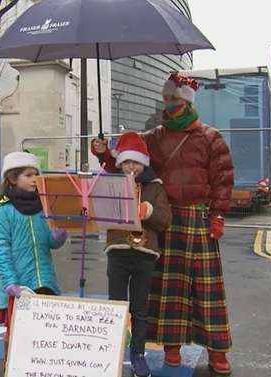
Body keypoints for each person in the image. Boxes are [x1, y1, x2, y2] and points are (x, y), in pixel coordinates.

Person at [92, 72, 235, 375]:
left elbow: (222, 178)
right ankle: (172, 349)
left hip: (197, 218)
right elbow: (127, 165)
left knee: (205, 291)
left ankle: (217, 351)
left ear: (187, 102)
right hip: (163, 217)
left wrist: (218, 214)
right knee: (169, 289)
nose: (171, 105)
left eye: (176, 100)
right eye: (167, 100)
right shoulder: (152, 137)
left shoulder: (211, 137)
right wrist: (104, 154)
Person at [103, 132, 172, 377]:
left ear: (144, 163)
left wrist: (149, 210)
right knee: (116, 307)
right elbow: (100, 214)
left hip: (144, 253)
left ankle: (138, 355)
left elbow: (165, 220)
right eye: (127, 163)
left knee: (140, 310)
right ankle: (112, 354)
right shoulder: (110, 185)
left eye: (136, 163)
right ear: (120, 163)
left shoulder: (155, 188)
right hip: (118, 252)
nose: (131, 167)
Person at [0, 152, 67, 358]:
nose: (34, 179)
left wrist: (58, 236)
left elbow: (50, 243)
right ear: (13, 179)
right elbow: (1, 249)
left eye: (35, 174)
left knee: (44, 338)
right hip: (19, 287)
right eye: (28, 175)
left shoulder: (44, 207)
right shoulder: (3, 211)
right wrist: (11, 283)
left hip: (45, 282)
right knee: (17, 339)